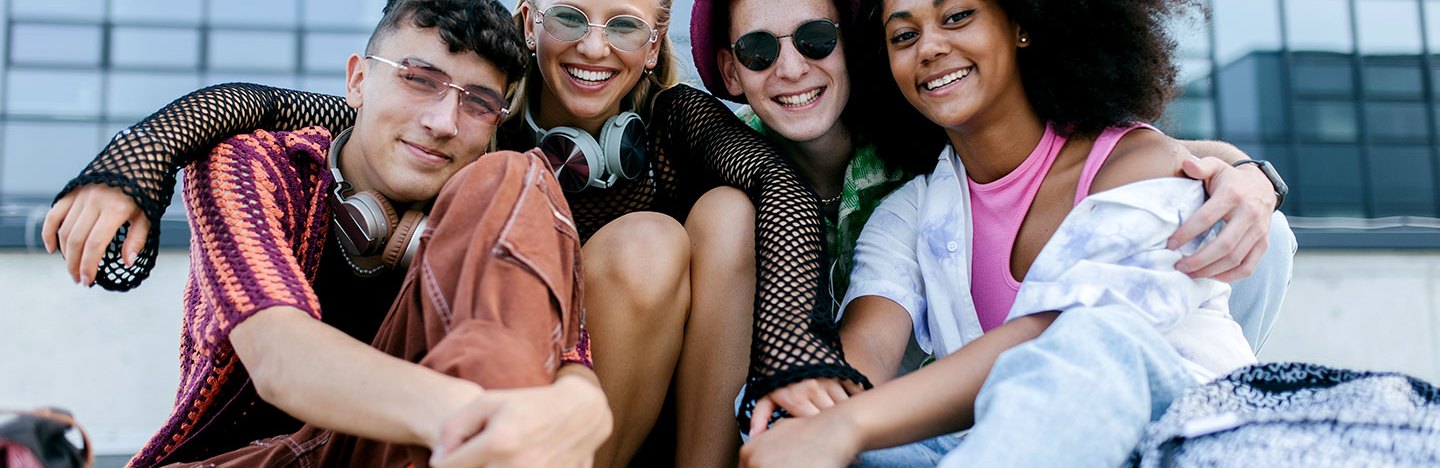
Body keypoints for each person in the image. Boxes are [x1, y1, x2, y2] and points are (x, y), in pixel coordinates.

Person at [41, 0, 857, 465]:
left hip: (554, 421)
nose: (441, 120)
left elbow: (772, 185)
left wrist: (794, 350)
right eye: (420, 82)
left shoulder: (533, 158)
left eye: (628, 26)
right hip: (347, 437)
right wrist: (136, 160)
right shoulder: (304, 162)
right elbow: (267, 109)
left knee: (671, 210)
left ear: (656, 44)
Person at [686, 0, 1294, 439]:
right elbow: (870, 339)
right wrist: (812, 404)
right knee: (772, 412)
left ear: (1023, 23)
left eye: (957, 17)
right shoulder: (913, 204)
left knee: (1090, 346)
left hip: (1173, 435)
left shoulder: (1144, 164)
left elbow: (1056, 337)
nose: (929, 48)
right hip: (987, 435)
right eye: (903, 36)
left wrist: (1253, 175)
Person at [43, 1, 613, 466]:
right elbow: (279, 359)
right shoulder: (258, 165)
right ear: (358, 81)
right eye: (419, 80)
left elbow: (569, 358)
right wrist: (481, 419)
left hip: (430, 449)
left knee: (521, 173)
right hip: (244, 460)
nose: (442, 123)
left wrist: (581, 408)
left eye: (478, 104)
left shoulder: (494, 193)